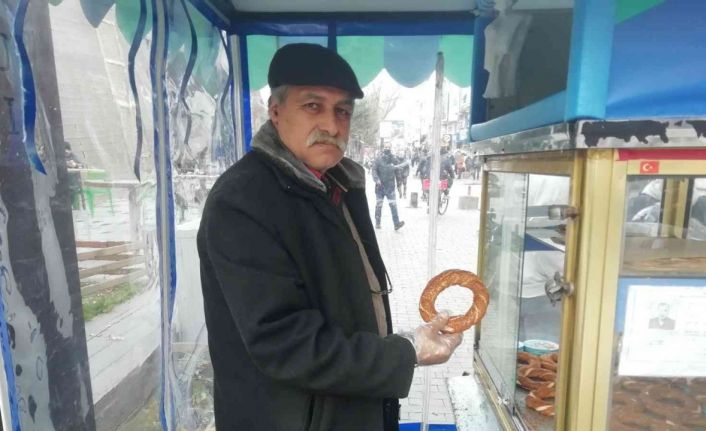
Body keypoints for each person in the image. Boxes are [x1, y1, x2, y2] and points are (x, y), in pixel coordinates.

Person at [198, 43, 462, 431]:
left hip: (350, 407)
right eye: (313, 106)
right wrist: (406, 352)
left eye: (343, 111)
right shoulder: (242, 201)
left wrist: (403, 340)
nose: (333, 126)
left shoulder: (339, 184)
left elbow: (345, 300)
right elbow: (284, 343)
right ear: (275, 111)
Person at [373, 147, 405, 230]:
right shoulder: (378, 160)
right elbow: (374, 171)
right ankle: (378, 223)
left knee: (392, 205)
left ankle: (396, 224)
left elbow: (398, 173)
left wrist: (399, 186)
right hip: (380, 187)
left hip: (390, 187)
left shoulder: (394, 160)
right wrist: (377, 179)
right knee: (379, 205)